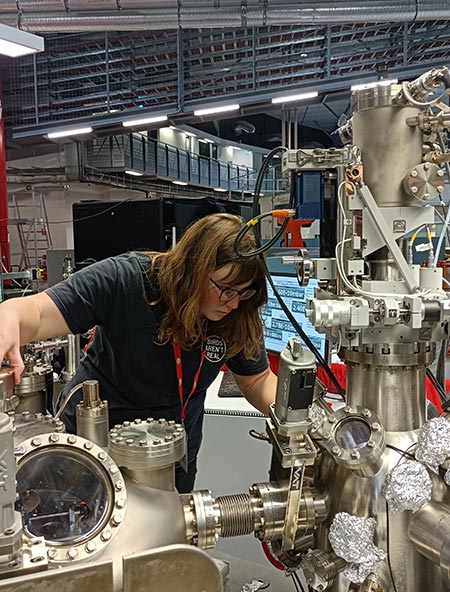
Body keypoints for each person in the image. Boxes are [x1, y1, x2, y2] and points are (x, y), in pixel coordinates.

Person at [0, 213, 277, 492]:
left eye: (243, 293)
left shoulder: (238, 313)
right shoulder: (126, 280)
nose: (233, 303)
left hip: (171, 456)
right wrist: (8, 316)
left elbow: (256, 380)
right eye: (225, 290)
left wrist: (298, 419)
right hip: (96, 456)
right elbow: (35, 312)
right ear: (194, 270)